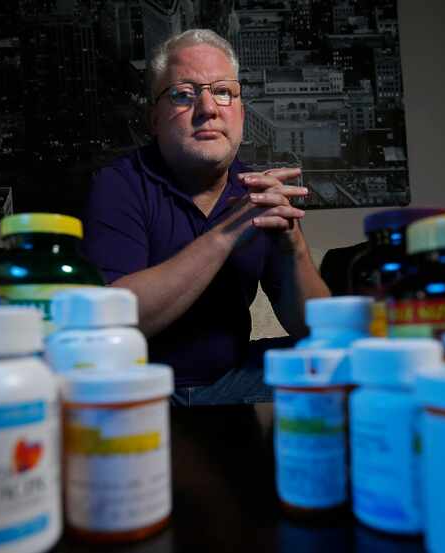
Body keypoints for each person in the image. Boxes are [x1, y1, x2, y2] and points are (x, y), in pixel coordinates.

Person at [82, 29, 329, 405]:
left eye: (223, 92)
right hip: (142, 386)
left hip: (233, 379)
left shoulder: (257, 195)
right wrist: (225, 235)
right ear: (155, 119)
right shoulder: (118, 184)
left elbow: (318, 332)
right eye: (184, 94)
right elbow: (113, 322)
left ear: (241, 113)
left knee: (338, 363)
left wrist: (293, 243)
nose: (208, 108)